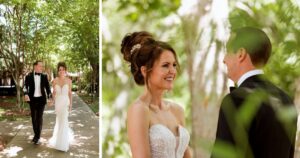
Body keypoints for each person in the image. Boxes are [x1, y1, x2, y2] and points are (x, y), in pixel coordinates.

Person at [213, 27, 297, 158]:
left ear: (241, 53)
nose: (224, 59)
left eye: (227, 51)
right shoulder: (286, 100)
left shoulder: (236, 99)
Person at [121, 31, 192, 158]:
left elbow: (187, 155)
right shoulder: (139, 110)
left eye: (174, 65)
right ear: (145, 71)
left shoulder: (177, 111)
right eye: (165, 65)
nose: (172, 71)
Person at [24, 60, 52, 145]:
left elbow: (48, 88)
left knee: (39, 118)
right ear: (35, 67)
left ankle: (37, 137)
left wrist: (50, 96)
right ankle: (36, 135)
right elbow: (25, 87)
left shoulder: (44, 76)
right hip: (32, 100)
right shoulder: (28, 76)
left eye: (42, 66)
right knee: (34, 118)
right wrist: (25, 94)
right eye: (40, 66)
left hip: (41, 100)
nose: (42, 68)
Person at [48, 62, 74, 151]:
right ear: (58, 71)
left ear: (65, 70)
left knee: (64, 121)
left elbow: (70, 94)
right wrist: (52, 101)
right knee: (59, 121)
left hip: (65, 103)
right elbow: (54, 93)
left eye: (63, 69)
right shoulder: (55, 81)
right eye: (60, 70)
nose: (61, 71)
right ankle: (59, 139)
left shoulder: (69, 81)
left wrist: (71, 105)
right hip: (58, 103)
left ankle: (63, 144)